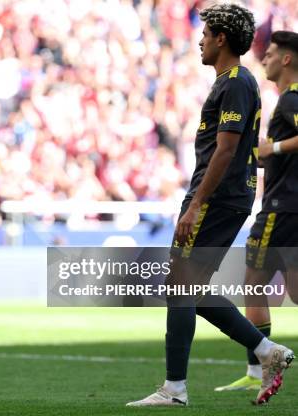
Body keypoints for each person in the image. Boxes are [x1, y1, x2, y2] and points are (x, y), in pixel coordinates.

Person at [127, 4, 293, 407]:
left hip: (218, 198)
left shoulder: (236, 82)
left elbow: (226, 149)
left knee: (181, 285)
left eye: (205, 34)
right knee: (187, 287)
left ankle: (176, 388)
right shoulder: (230, 82)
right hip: (221, 196)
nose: (199, 40)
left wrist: (196, 204)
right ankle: (264, 349)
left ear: (221, 38)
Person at [215, 31, 298, 393]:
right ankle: (259, 368)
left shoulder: (293, 99)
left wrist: (272, 147)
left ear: (286, 60)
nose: (262, 58)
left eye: (270, 53)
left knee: (253, 285)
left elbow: (280, 148)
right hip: (291, 205)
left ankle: (258, 369)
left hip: (281, 209)